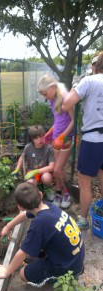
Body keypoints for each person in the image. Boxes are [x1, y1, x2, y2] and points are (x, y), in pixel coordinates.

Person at [0, 182, 85, 285]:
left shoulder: (39, 224)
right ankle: (70, 268)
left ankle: (66, 278)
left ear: (20, 207)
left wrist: (6, 271)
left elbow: (23, 252)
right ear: (40, 195)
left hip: (66, 266)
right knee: (37, 242)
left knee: (23, 274)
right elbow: (25, 215)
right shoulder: (48, 206)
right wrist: (8, 226)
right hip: (75, 257)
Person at [62, 51, 103, 230]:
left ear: (95, 66)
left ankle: (84, 219)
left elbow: (66, 104)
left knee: (84, 181)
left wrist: (75, 85)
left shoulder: (89, 81)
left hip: (93, 139)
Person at [37, 74, 75, 209]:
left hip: (65, 140)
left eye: (45, 93)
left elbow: (74, 121)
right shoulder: (53, 99)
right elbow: (58, 121)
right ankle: (58, 193)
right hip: (56, 140)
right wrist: (51, 132)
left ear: (52, 87)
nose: (45, 97)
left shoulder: (66, 98)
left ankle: (66, 194)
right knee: (58, 170)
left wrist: (62, 136)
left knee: (58, 169)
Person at [11, 125, 55, 200]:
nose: (40, 140)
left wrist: (37, 171)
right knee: (30, 183)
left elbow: (51, 167)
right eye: (36, 138)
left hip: (45, 172)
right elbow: (22, 157)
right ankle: (36, 193)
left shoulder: (49, 148)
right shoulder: (28, 147)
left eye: (41, 137)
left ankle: (47, 189)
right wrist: (17, 169)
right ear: (32, 139)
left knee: (46, 178)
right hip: (31, 171)